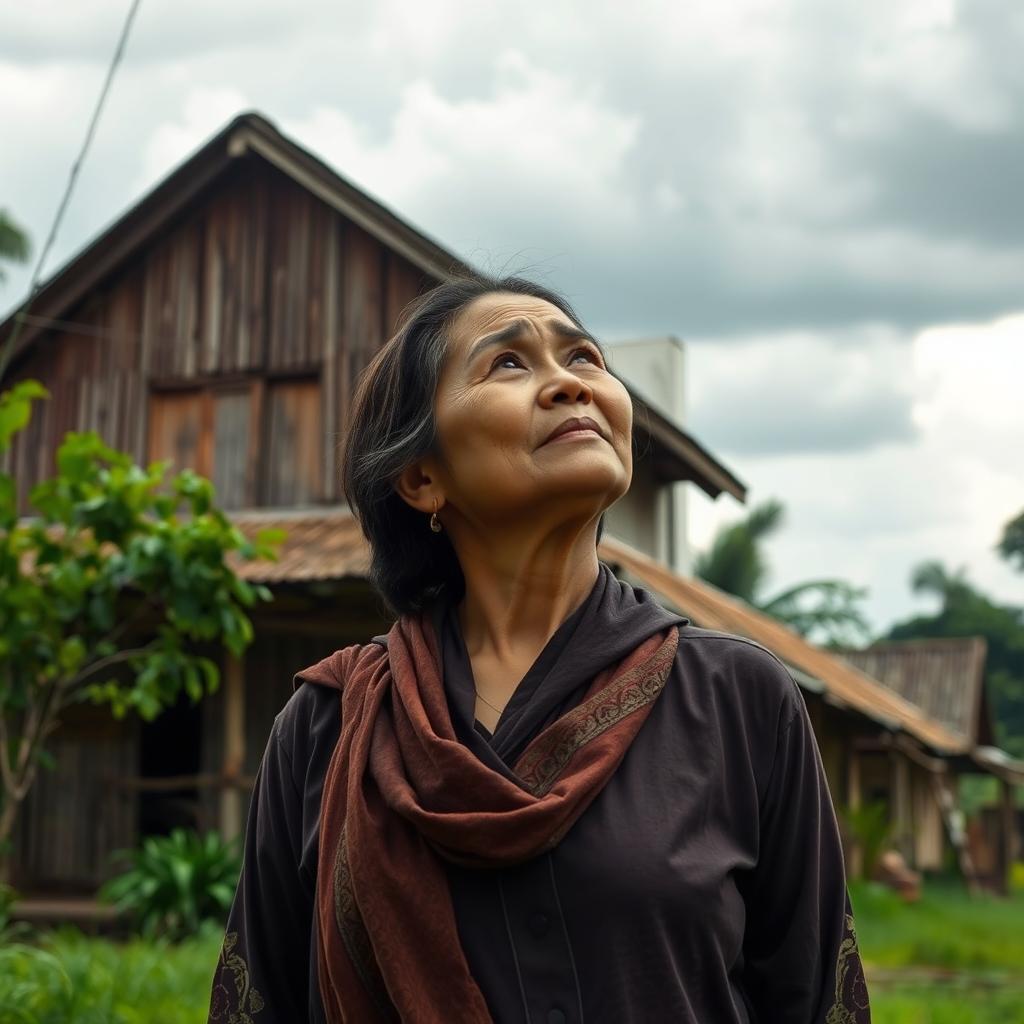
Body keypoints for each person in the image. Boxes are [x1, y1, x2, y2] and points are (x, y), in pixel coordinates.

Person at [207, 274, 871, 1024]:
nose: (570, 384)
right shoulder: (329, 726)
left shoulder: (738, 697)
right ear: (423, 477)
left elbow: (815, 1000)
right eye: (509, 364)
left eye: (584, 358)